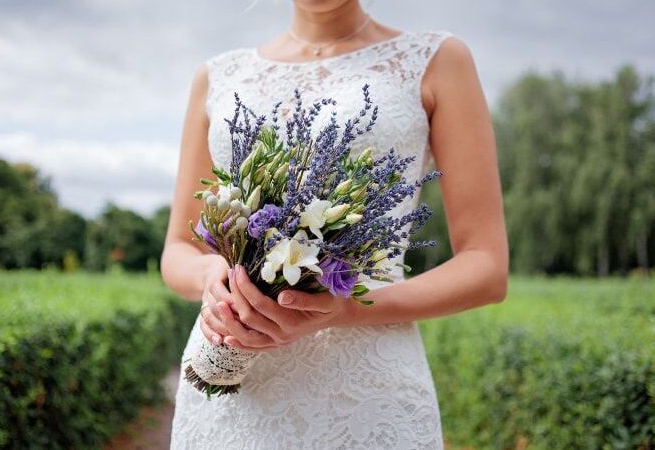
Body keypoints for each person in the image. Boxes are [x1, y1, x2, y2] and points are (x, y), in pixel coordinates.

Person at [161, 0, 508, 448]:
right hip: (233, 385)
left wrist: (344, 308)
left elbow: (487, 267)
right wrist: (215, 277)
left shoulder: (438, 60)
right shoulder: (218, 76)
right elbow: (177, 249)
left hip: (365, 393)